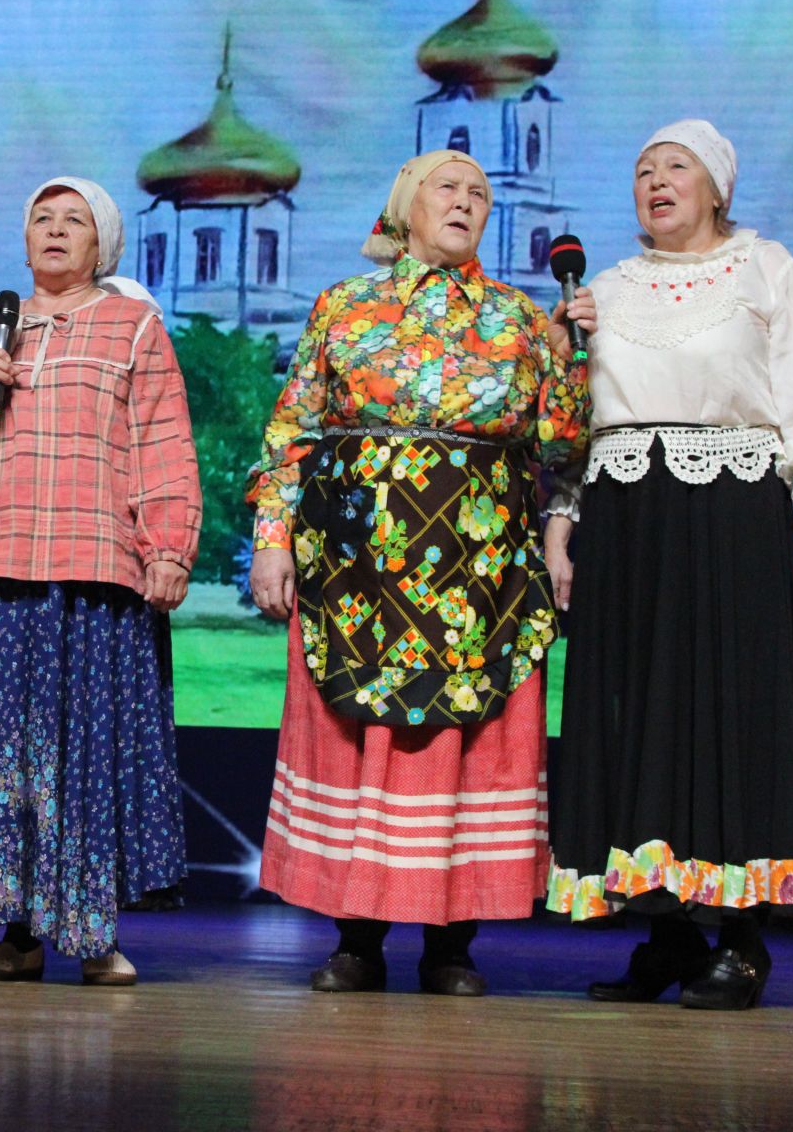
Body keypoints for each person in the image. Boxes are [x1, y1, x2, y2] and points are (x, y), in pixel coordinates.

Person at [246, 149, 591, 995]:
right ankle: (357, 937)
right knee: (360, 737)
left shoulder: (519, 319)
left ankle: (451, 943)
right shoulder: (344, 305)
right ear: (406, 202)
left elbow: (564, 450)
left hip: (483, 571)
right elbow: (292, 431)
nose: (467, 200)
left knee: (464, 747)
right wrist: (273, 535)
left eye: (480, 192)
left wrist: (574, 354)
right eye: (449, 186)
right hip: (357, 568)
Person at [544, 120, 793, 1009]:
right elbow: (576, 425)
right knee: (636, 714)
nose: (654, 180)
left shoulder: (769, 270)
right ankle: (669, 931)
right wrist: (562, 521)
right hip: (625, 511)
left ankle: (743, 938)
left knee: (729, 709)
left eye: (674, 166)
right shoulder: (603, 287)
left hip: (730, 504)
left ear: (717, 186)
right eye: (642, 169)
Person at [0, 176, 201, 987]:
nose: (53, 230)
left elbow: (165, 447)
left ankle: (92, 933)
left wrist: (171, 548)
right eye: (40, 218)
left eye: (73, 220)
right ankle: (16, 932)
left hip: (94, 575)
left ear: (102, 245)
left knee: (82, 757)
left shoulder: (134, 328)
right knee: (1, 761)